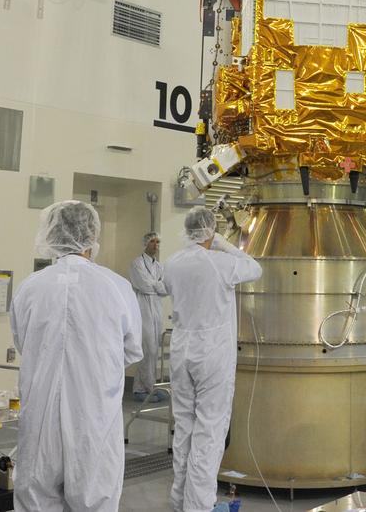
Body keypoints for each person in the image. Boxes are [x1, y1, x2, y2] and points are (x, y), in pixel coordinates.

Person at [11, 201, 143, 511]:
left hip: (40, 416)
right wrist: (96, 365)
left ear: (51, 234)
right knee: (94, 498)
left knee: (36, 498)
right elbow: (132, 350)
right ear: (92, 235)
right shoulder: (116, 287)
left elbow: (22, 342)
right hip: (93, 416)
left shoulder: (30, 287)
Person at [163, 206, 262, 512]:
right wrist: (223, 244)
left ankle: (180, 499)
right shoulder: (220, 262)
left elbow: (168, 288)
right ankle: (200, 505)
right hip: (211, 353)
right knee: (209, 429)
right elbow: (254, 268)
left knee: (184, 427)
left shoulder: (173, 262)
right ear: (211, 230)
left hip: (181, 350)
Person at [129, 231, 169, 402]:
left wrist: (157, 286)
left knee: (154, 350)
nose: (156, 245)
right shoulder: (137, 264)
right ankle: (140, 389)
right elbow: (143, 286)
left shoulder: (159, 267)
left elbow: (166, 288)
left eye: (158, 242)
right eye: (153, 241)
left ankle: (149, 387)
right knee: (147, 349)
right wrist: (157, 286)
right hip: (143, 309)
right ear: (146, 243)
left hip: (157, 310)